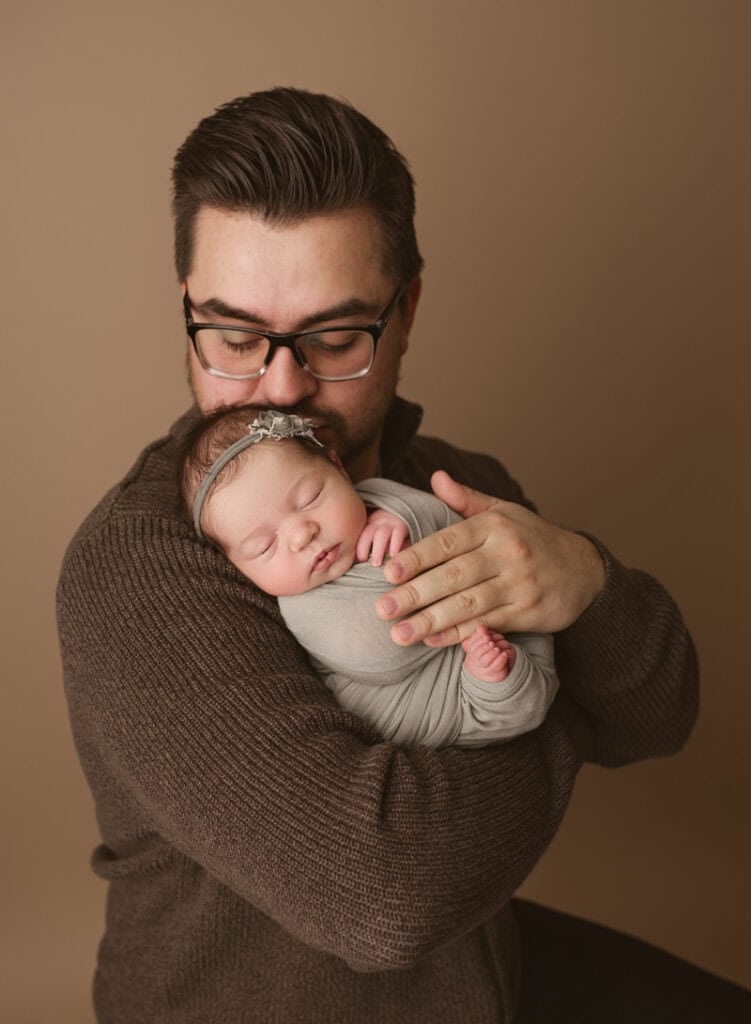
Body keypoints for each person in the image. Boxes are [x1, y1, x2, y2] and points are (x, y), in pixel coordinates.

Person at [56, 87, 749, 1022]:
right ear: (186, 308)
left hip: (483, 980)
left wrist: (585, 580)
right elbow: (385, 893)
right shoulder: (143, 564)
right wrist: (553, 705)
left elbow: (657, 721)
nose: (281, 384)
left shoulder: (457, 483)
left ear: (407, 310)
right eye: (231, 334)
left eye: (336, 337)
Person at [180, 405, 560, 748]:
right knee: (503, 695)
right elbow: (385, 653)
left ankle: (502, 673)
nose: (301, 534)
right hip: (433, 706)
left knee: (524, 655)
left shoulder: (380, 500)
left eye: (310, 497)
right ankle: (493, 678)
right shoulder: (295, 608)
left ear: (338, 468)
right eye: (264, 547)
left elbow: (454, 526)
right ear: (236, 569)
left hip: (511, 619)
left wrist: (403, 518)